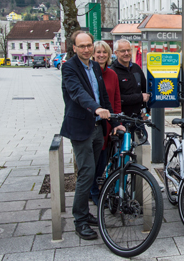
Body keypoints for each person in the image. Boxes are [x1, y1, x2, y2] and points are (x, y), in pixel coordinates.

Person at [60, 31, 124, 240]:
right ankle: (79, 220)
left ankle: (85, 214)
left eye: (89, 45)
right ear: (74, 48)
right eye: (82, 46)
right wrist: (96, 109)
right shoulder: (69, 67)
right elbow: (77, 93)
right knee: (86, 172)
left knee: (94, 172)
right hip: (81, 128)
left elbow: (104, 96)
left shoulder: (95, 66)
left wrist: (114, 122)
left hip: (99, 128)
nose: (87, 49)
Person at [89, 41, 122, 206]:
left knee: (104, 159)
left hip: (109, 124)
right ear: (93, 54)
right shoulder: (89, 73)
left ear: (109, 55)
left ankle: (97, 188)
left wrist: (117, 122)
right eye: (98, 52)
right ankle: (93, 190)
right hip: (94, 124)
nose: (101, 55)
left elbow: (116, 100)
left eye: (104, 52)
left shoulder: (112, 74)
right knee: (95, 160)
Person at [111, 39, 150, 125]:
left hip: (138, 117)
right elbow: (117, 98)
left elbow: (146, 90)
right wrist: (139, 97)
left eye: (128, 50)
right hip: (121, 119)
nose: (126, 53)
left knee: (143, 138)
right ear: (116, 53)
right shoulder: (113, 71)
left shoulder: (136, 68)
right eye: (122, 51)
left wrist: (146, 111)